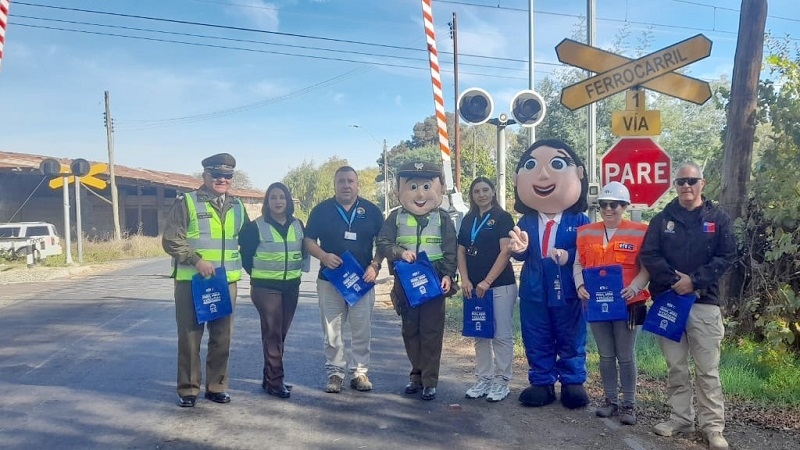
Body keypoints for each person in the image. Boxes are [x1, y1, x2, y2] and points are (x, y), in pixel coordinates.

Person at [640, 162, 736, 450]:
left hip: (704, 302)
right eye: (681, 181)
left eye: (691, 181)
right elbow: (650, 254)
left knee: (707, 370)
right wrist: (674, 281)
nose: (686, 186)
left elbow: (727, 256)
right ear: (675, 185)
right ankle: (681, 418)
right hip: (669, 301)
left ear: (702, 183)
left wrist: (694, 282)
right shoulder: (661, 219)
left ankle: (712, 427)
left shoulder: (718, 218)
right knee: (676, 367)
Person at [507, 139, 591, 409]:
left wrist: (569, 255)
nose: (543, 176)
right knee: (536, 333)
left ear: (578, 174)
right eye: (531, 166)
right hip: (533, 287)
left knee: (571, 333)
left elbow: (587, 253)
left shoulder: (580, 221)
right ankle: (541, 381)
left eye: (556, 165)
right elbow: (522, 251)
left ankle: (572, 380)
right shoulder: (526, 221)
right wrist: (518, 250)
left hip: (567, 288)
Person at [162, 152, 249, 407]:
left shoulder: (238, 206)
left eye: (227, 176)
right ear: (205, 176)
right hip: (192, 281)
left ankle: (216, 386)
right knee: (190, 338)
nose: (222, 179)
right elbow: (170, 239)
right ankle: (188, 390)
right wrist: (195, 259)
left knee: (222, 338)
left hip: (225, 282)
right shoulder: (186, 202)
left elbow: (248, 239)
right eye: (217, 175)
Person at [376, 161, 458, 401]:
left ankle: (430, 381)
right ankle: (416, 375)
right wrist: (400, 252)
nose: (420, 194)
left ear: (439, 188)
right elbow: (382, 243)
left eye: (425, 186)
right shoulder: (395, 218)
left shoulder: (443, 219)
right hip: (406, 283)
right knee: (410, 330)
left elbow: (451, 250)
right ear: (400, 190)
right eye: (412, 187)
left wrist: (447, 275)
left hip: (433, 282)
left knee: (432, 331)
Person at [573, 181, 650, 425]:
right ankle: (610, 401)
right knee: (606, 355)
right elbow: (578, 263)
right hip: (596, 304)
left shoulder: (640, 231)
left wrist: (635, 287)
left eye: (614, 205)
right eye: (604, 204)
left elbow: (647, 268)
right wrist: (580, 285)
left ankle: (629, 405)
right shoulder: (586, 231)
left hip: (628, 305)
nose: (609, 209)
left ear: (624, 206)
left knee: (625, 356)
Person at [304, 166, 384, 393]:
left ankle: (360, 373)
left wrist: (375, 265)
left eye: (350, 181)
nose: (346, 185)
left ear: (358, 184)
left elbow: (384, 243)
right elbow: (308, 240)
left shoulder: (371, 211)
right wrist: (323, 256)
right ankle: (335, 373)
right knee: (332, 331)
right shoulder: (321, 210)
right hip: (330, 280)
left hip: (362, 281)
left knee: (361, 329)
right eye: (341, 181)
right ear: (335, 185)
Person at [239, 182, 305, 399]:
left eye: (282, 197)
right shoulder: (255, 227)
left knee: (279, 334)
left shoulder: (298, 224)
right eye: (273, 198)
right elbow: (246, 258)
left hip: (291, 287)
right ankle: (276, 381)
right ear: (267, 202)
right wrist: (260, 275)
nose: (278, 201)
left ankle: (270, 378)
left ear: (288, 201)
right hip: (265, 288)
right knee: (273, 333)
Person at [457, 176, 517, 402]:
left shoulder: (503, 218)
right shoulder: (468, 219)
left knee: (501, 335)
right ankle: (484, 378)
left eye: (485, 190)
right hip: (473, 287)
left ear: (493, 192)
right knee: (479, 334)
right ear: (472, 196)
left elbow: (506, 252)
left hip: (500, 285)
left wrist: (487, 281)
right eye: (476, 191)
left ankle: (502, 382)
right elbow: (461, 250)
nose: (481, 194)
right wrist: (465, 279)